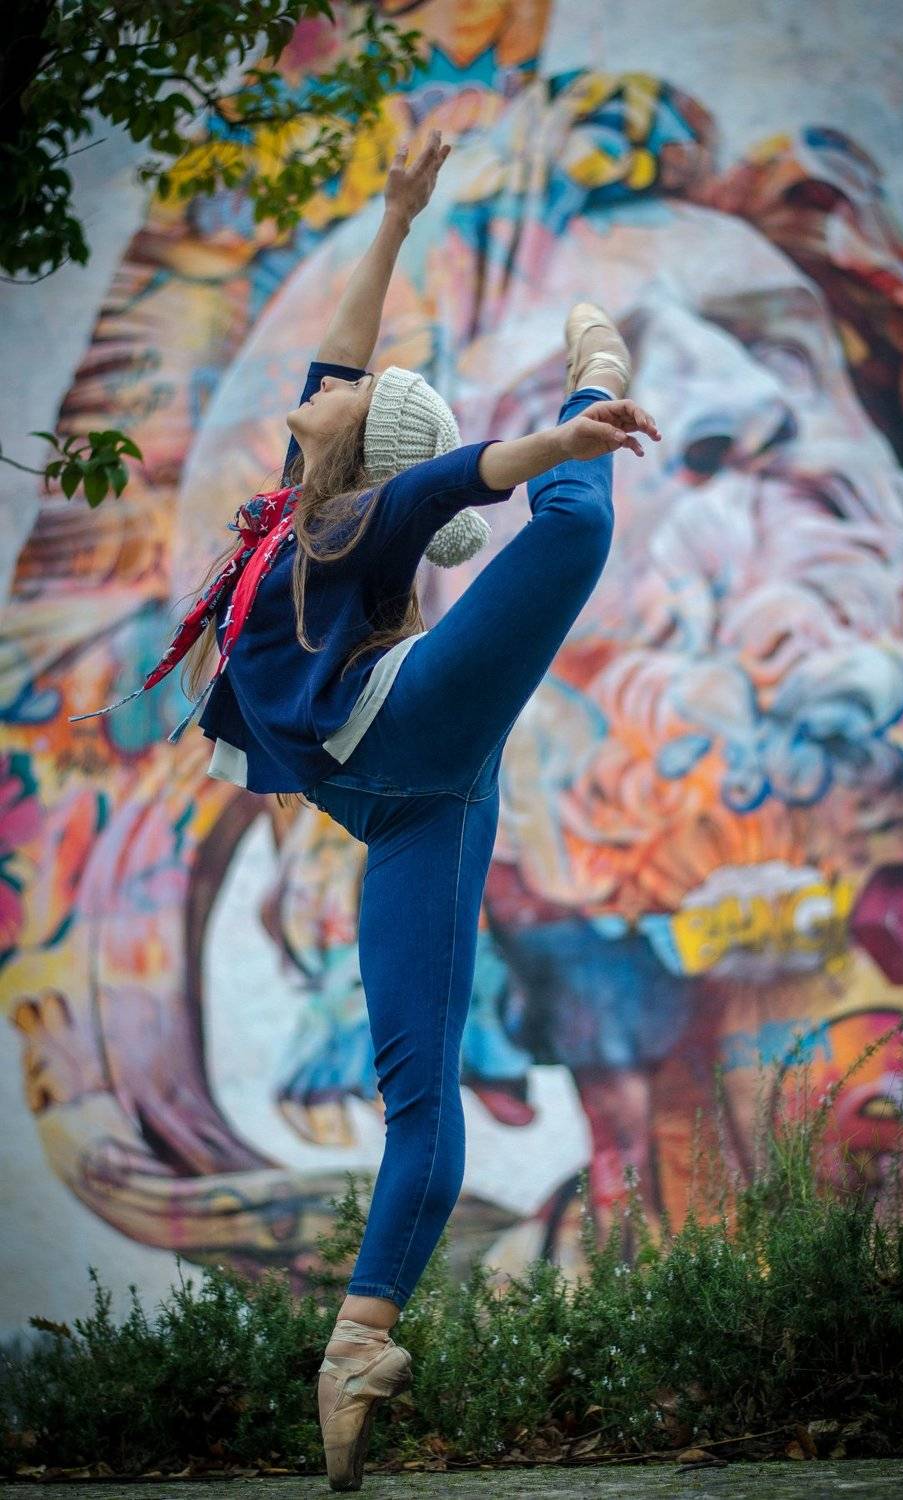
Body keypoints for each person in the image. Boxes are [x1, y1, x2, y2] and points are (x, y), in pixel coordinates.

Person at [69, 129, 659, 1491]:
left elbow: (465, 476)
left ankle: (602, 373)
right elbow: (342, 360)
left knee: (571, 524)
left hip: (404, 751)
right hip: (405, 790)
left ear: (360, 454)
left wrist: (564, 433)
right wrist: (394, 217)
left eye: (346, 402)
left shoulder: (363, 515)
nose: (320, 397)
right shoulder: (304, 497)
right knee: (418, 1097)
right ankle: (356, 1350)